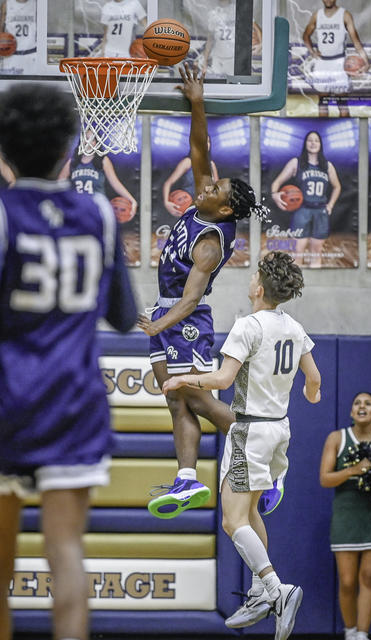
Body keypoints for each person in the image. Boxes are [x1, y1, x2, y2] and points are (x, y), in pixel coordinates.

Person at [0, 83, 137, 640]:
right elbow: (124, 316)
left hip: (8, 401)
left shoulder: (6, 216)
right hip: (75, 404)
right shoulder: (99, 215)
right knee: (66, 555)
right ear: (69, 147)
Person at [163, 250, 321, 638]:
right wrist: (310, 396)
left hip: (250, 431)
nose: (250, 280)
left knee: (232, 521)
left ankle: (275, 589)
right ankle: (258, 594)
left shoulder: (248, 326)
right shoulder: (294, 327)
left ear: (260, 287)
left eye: (253, 276)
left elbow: (221, 380)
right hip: (280, 430)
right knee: (250, 515)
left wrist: (182, 381)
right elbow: (314, 381)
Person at [137, 63, 270, 520]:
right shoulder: (205, 202)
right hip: (168, 311)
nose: (206, 184)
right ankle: (188, 478)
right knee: (174, 396)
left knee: (195, 397)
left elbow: (192, 300)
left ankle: (263, 460)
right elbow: (200, 148)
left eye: (215, 188)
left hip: (185, 320)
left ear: (226, 206)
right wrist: (197, 101)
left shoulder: (211, 242)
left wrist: (159, 323)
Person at [319, 392, 371, 640]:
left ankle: (363, 634)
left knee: (369, 578)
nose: (362, 406)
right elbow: (325, 478)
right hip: (346, 516)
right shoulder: (337, 438)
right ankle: (350, 631)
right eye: (357, 403)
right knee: (347, 581)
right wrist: (355, 470)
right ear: (351, 412)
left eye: (368, 403)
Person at [271, 130, 341, 269]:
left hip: (321, 210)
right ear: (305, 143)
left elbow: (337, 186)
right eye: (310, 140)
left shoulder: (327, 166)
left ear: (320, 144)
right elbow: (277, 182)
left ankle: (315, 288)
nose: (313, 143)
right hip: (302, 209)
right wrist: (274, 194)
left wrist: (330, 205)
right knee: (297, 252)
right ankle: (296, 287)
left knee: (316, 252)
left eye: (316, 140)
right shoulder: (296, 163)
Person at [303, 0, 369, 117]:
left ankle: (347, 130)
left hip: (339, 63)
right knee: (323, 102)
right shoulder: (317, 15)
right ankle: (323, 131)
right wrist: (312, 52)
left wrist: (366, 61)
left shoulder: (344, 15)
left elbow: (355, 40)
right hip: (322, 63)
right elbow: (306, 35)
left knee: (342, 102)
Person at [59, 141, 137, 217]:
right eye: (86, 138)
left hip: (97, 206)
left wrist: (131, 199)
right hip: (78, 206)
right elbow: (59, 183)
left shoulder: (103, 160)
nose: (88, 142)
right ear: (81, 141)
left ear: (96, 142)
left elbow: (115, 183)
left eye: (92, 139)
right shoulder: (73, 160)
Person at [202, 0, 262, 77]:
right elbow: (210, 39)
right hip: (217, 58)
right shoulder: (213, 13)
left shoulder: (239, 10)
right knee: (217, 84)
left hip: (233, 58)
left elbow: (257, 29)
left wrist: (260, 45)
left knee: (232, 85)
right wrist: (205, 61)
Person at [162, 135, 219, 217]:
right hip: (187, 208)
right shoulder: (188, 162)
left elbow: (217, 190)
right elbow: (168, 183)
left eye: (208, 142)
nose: (206, 144)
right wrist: (166, 203)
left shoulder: (211, 164)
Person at [0, 0, 37, 75]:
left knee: (32, 85)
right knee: (9, 85)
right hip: (11, 55)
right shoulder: (6, 4)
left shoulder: (36, 4)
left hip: (31, 53)